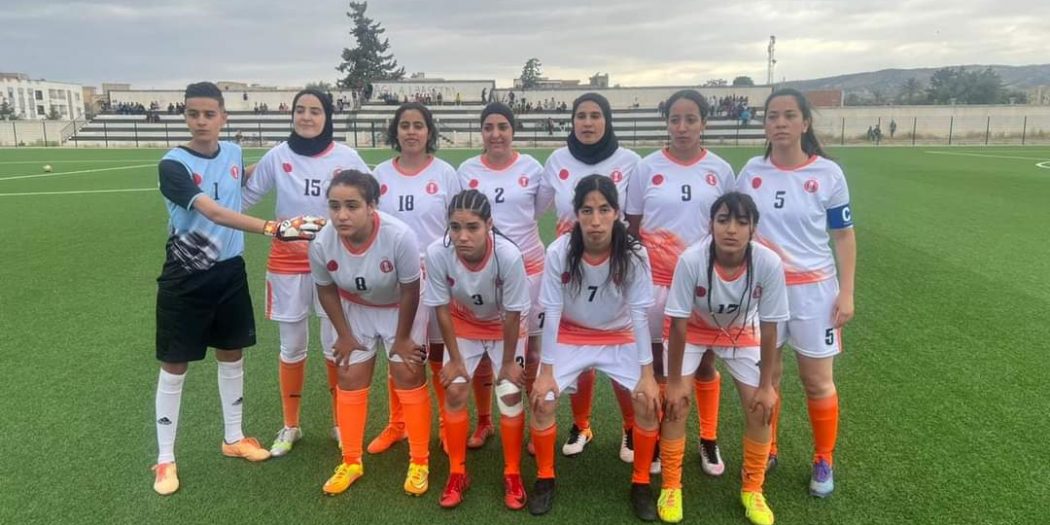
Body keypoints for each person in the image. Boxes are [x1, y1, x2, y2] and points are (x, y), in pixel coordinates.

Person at [151, 82, 322, 496]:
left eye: (209, 114)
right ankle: (165, 458)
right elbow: (213, 210)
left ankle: (233, 437)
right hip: (185, 277)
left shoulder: (232, 152)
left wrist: (293, 158)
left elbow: (243, 179)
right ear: (185, 117)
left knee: (232, 354)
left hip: (229, 273)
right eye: (193, 114)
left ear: (223, 117)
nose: (201, 121)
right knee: (175, 364)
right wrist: (272, 227)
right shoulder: (172, 165)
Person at [737, 88, 856, 498]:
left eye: (789, 115)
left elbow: (843, 236)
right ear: (765, 125)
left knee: (817, 380)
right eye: (773, 116)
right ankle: (768, 446)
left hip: (814, 292)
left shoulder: (828, 174)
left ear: (805, 123)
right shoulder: (751, 172)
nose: (780, 123)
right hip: (763, 290)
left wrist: (846, 292)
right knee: (767, 376)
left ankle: (824, 458)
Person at [241, 89, 370, 458]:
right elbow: (243, 200)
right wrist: (219, 186)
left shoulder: (347, 157)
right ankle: (290, 425)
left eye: (315, 111)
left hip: (335, 263)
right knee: (291, 347)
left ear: (327, 117)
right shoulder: (277, 155)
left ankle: (340, 423)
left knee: (335, 345)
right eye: (300, 110)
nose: (307, 117)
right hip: (287, 263)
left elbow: (374, 197)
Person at [528, 175, 660, 519]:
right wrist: (546, 372)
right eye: (587, 210)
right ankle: (545, 478)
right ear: (576, 214)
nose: (596, 220)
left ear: (617, 212)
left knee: (647, 401)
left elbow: (639, 315)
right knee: (542, 399)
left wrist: (647, 375)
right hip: (572, 333)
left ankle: (641, 483)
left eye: (604, 209)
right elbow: (552, 312)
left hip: (619, 334)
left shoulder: (634, 253)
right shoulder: (560, 251)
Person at [659, 192, 789, 525]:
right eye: (723, 220)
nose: (731, 229)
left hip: (740, 331)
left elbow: (770, 328)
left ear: (753, 228)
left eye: (741, 222)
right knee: (676, 403)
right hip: (693, 330)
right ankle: (671, 485)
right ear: (711, 225)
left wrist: (767, 386)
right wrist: (674, 383)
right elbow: (678, 323)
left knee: (760, 408)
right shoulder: (691, 260)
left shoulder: (769, 263)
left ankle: (753, 489)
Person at [625, 89, 735, 477]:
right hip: (656, 283)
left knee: (704, 362)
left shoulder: (721, 170)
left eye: (691, 119)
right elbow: (633, 227)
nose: (682, 127)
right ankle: (655, 436)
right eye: (675, 119)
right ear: (667, 123)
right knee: (657, 364)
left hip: (703, 284)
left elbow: (729, 225)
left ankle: (708, 438)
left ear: (704, 122)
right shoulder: (646, 168)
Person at [309, 170, 433, 496]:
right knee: (349, 375)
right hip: (356, 307)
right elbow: (325, 289)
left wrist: (403, 339)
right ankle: (351, 461)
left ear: (372, 206)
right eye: (334, 206)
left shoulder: (399, 236)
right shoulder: (322, 242)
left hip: (400, 306)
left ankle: (419, 461)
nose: (341, 215)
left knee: (408, 372)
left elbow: (410, 289)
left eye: (352, 206)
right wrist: (343, 334)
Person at [538, 92, 643, 464]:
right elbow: (532, 211)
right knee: (577, 345)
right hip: (570, 270)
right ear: (572, 121)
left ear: (607, 120)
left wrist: (627, 260)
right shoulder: (556, 161)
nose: (587, 122)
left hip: (613, 267)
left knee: (619, 348)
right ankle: (581, 425)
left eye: (595, 115)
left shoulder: (630, 161)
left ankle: (631, 428)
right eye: (580, 115)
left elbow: (636, 218)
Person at [424, 190, 532, 510]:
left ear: (489, 224)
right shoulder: (437, 252)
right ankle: (457, 473)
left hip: (503, 325)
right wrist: (455, 359)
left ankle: (512, 473)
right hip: (464, 323)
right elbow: (441, 307)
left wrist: (509, 363)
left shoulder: (508, 255)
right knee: (456, 390)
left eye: (472, 227)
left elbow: (513, 313)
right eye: (455, 227)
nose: (462, 236)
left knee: (509, 392)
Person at [369, 102, 462, 455]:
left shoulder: (445, 173)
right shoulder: (380, 174)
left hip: (437, 276)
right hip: (393, 279)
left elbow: (457, 225)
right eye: (405, 125)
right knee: (400, 350)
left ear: (429, 131)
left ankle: (444, 423)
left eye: (418, 125)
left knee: (437, 350)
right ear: (396, 131)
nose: (411, 131)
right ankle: (399, 423)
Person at [457, 103, 547, 452]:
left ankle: (537, 424)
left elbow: (537, 211)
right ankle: (485, 422)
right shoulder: (466, 170)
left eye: (503, 127)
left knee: (533, 351)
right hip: (481, 275)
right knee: (481, 349)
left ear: (513, 130)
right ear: (481, 132)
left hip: (530, 270)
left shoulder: (532, 168)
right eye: (488, 127)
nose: (496, 134)